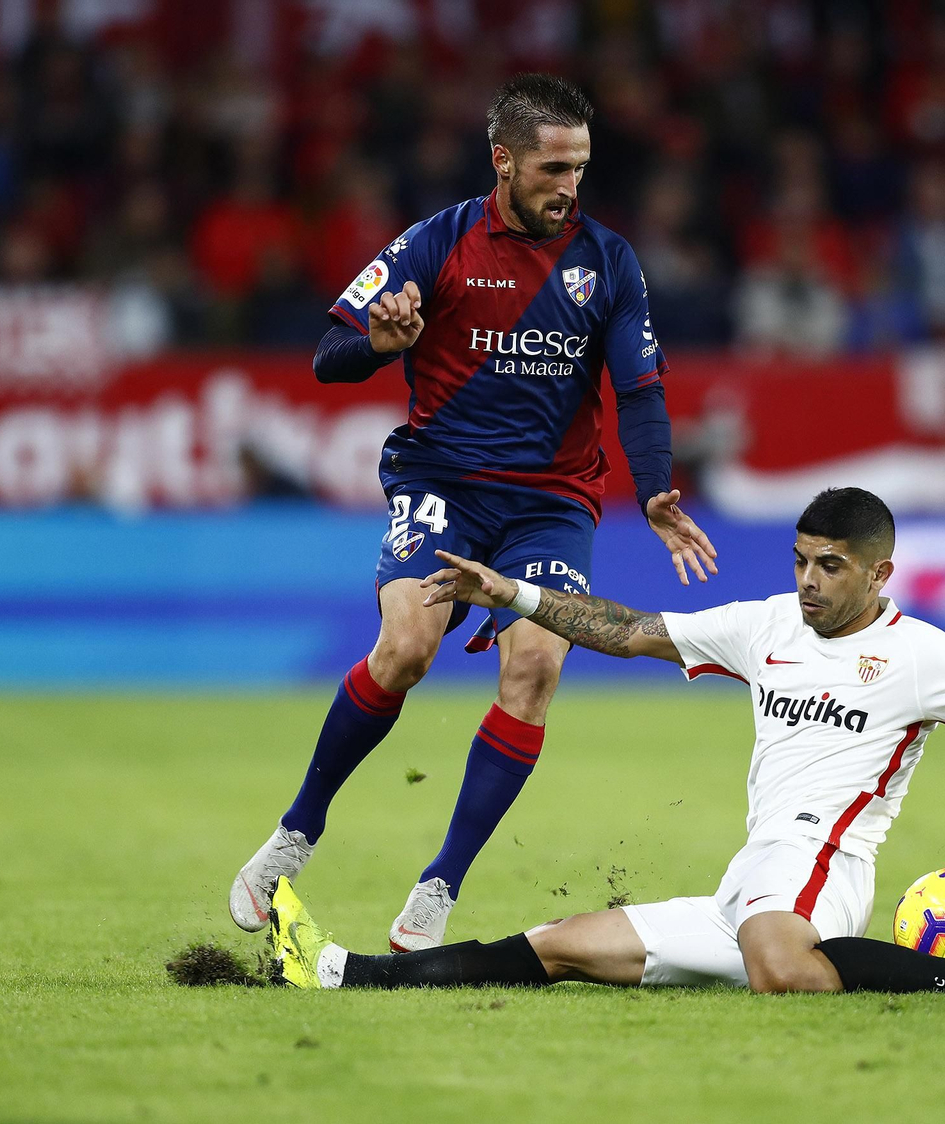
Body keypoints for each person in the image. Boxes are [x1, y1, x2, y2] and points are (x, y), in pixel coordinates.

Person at [268, 488, 945, 996]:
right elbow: (628, 630)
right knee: (561, 943)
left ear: (881, 572)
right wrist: (514, 596)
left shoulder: (922, 655)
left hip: (821, 871)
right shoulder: (767, 625)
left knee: (781, 964)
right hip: (749, 877)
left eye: (832, 566)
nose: (809, 582)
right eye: (802, 560)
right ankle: (342, 973)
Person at [228, 74, 718, 950]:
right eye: (552, 167)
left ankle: (440, 885)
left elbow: (640, 391)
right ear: (504, 160)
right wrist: (380, 344)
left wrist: (652, 491)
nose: (569, 185)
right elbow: (326, 357)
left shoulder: (609, 261)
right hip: (442, 482)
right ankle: (296, 833)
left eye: (581, 167)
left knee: (536, 667)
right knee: (409, 645)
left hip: (552, 506)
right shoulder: (436, 242)